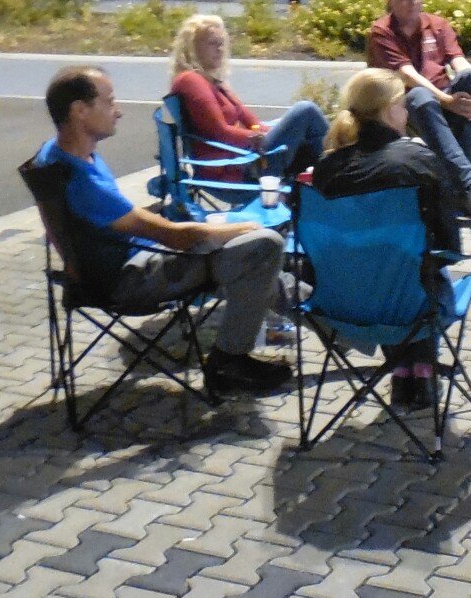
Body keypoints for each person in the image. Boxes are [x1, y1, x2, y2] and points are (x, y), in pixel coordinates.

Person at [29, 66, 293, 396]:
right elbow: (173, 236)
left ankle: (306, 300)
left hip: (115, 266)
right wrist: (241, 226)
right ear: (80, 111)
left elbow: (125, 222)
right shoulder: (79, 179)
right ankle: (229, 363)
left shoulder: (54, 156)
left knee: (250, 255)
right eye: (109, 102)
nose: (119, 111)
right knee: (264, 244)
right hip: (130, 279)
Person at [308, 68, 471, 409]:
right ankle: (420, 373)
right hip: (413, 308)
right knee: (417, 272)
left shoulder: (326, 169)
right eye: (404, 106)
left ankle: (402, 372)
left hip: (341, 305)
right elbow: (449, 248)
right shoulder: (418, 160)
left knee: (385, 267)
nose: (408, 113)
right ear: (390, 109)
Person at [366, 0, 471, 214]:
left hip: (443, 97)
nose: (413, 3)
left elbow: (460, 61)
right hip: (403, 103)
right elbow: (407, 75)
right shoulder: (381, 31)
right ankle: (470, 186)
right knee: (421, 96)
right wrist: (445, 99)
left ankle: (468, 191)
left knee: (470, 78)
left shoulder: (437, 24)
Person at [169, 14, 329, 188]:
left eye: (221, 43)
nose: (220, 49)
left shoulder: (213, 82)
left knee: (299, 126)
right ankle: (336, 170)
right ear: (193, 47)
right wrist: (264, 136)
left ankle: (330, 171)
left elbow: (252, 123)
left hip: (245, 157)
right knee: (305, 110)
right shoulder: (190, 80)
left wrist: (276, 132)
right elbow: (221, 133)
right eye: (212, 43)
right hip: (233, 168)